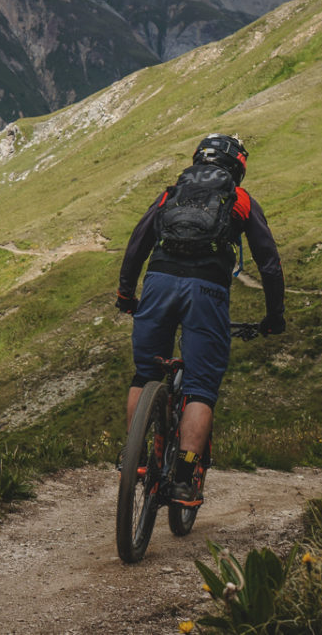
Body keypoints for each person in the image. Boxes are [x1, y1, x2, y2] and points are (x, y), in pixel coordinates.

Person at [115, 133, 285, 505]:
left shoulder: (171, 194)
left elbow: (137, 243)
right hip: (207, 290)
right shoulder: (240, 199)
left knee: (145, 374)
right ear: (237, 168)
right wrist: (274, 316)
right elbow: (269, 263)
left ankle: (135, 456)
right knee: (201, 387)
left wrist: (126, 295)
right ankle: (182, 478)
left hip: (159, 281)